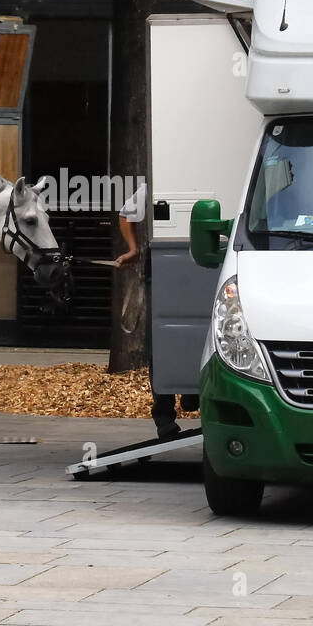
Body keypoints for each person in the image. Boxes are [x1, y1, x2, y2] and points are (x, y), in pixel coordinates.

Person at [113, 180, 181, 440]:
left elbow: (124, 213)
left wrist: (133, 249)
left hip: (171, 269)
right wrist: (133, 249)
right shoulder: (156, 185)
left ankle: (174, 408)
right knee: (162, 344)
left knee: (165, 343)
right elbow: (125, 213)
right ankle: (165, 416)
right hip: (167, 270)